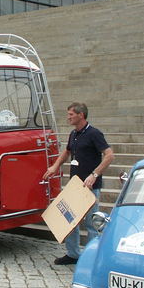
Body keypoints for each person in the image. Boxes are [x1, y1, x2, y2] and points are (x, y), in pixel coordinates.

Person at [43, 102, 114, 265]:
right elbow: (67, 151)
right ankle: (73, 254)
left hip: (90, 187)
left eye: (71, 115)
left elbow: (110, 155)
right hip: (75, 186)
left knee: (90, 224)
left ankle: (91, 257)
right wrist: (55, 166)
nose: (68, 117)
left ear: (81, 115)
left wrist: (94, 175)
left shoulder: (95, 134)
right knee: (70, 221)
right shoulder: (74, 134)